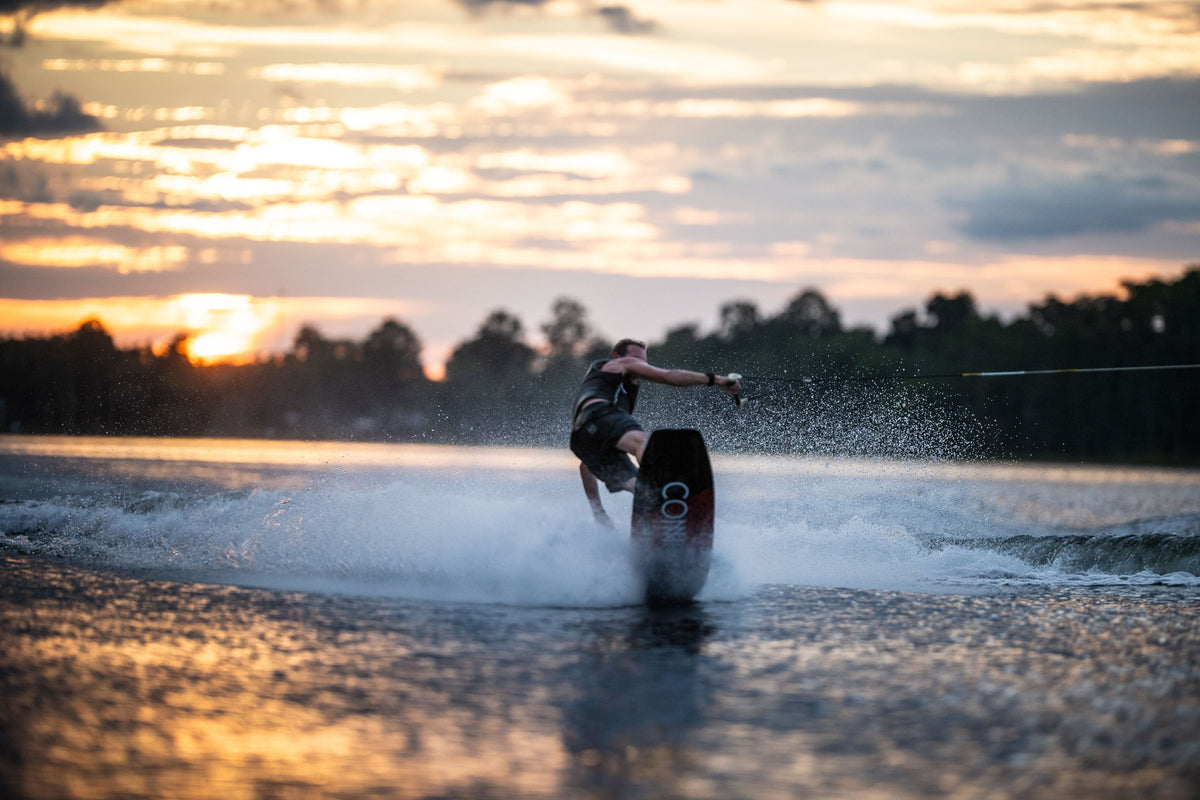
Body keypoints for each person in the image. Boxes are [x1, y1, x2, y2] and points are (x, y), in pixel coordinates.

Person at [569, 338, 741, 527]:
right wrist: (715, 379)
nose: (640, 365)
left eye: (644, 361)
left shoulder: (605, 385)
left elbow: (586, 465)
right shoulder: (619, 365)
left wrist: (599, 513)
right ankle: (664, 496)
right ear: (616, 357)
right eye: (636, 359)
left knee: (639, 486)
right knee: (644, 443)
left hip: (582, 437)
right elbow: (668, 376)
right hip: (599, 415)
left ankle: (655, 511)